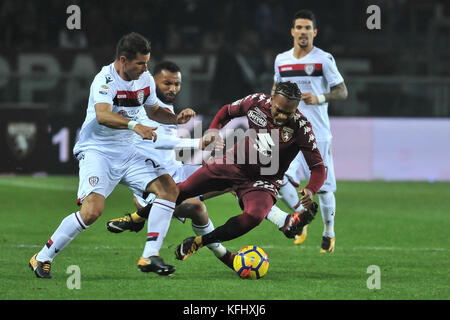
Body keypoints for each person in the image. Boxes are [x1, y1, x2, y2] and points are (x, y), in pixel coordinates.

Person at [28, 32, 196, 278]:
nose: (145, 68)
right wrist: (134, 126)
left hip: (128, 151)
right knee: (92, 212)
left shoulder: (145, 79)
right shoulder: (104, 80)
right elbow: (103, 115)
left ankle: (149, 256)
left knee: (169, 189)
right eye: (140, 63)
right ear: (123, 60)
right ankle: (42, 257)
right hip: (98, 151)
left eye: (147, 62)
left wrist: (175, 118)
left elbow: (153, 110)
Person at [173, 82, 326, 264]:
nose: (282, 116)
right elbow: (226, 111)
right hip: (233, 163)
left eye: (288, 113)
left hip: (261, 177)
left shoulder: (301, 127)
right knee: (191, 197)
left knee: (245, 211)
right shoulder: (257, 102)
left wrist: (311, 189)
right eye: (279, 110)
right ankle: (282, 221)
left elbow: (318, 167)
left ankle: (198, 242)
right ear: (272, 98)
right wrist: (213, 132)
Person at [105, 61, 234, 268]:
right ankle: (229, 258)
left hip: (177, 174)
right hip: (154, 185)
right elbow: (161, 142)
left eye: (177, 84)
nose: (172, 89)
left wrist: (177, 119)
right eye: (166, 83)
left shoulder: (164, 109)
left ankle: (137, 219)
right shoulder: (144, 109)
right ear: (152, 81)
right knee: (197, 208)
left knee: (232, 172)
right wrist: (199, 143)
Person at [269, 10, 348, 253]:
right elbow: (275, 91)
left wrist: (320, 97)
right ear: (292, 31)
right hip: (288, 131)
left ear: (314, 32)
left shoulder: (324, 59)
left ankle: (328, 232)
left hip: (318, 133)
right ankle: (299, 218)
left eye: (307, 28)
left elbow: (342, 91)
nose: (303, 32)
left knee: (323, 187)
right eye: (299, 28)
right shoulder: (281, 59)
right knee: (276, 179)